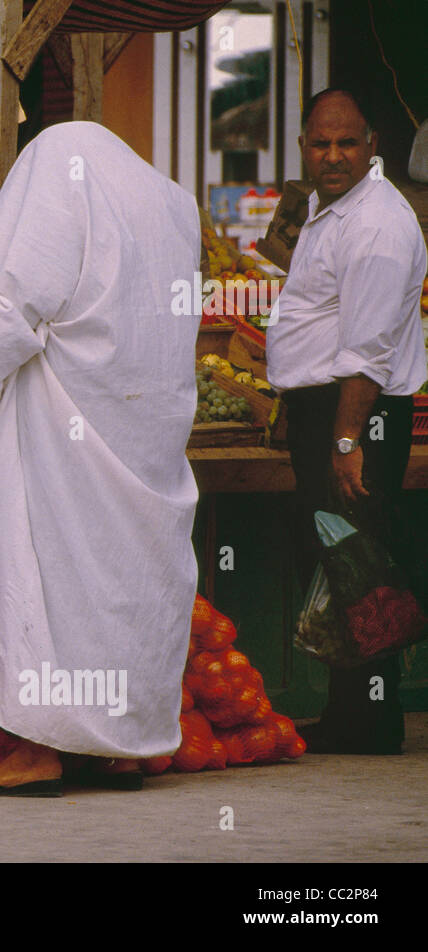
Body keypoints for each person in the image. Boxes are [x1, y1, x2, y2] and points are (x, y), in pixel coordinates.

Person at [0, 121, 202, 793]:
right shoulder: (172, 201)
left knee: (48, 569)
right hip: (145, 427)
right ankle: (119, 747)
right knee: (128, 574)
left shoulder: (58, 164)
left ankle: (34, 753)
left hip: (62, 421)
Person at [266, 87, 427, 755]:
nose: (333, 155)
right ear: (304, 145)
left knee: (359, 564)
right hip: (329, 410)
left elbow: (366, 351)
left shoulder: (378, 227)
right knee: (340, 561)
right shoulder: (334, 210)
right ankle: (349, 714)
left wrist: (345, 440)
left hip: (355, 412)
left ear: (372, 146)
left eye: (347, 143)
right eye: (321, 143)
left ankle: (374, 722)